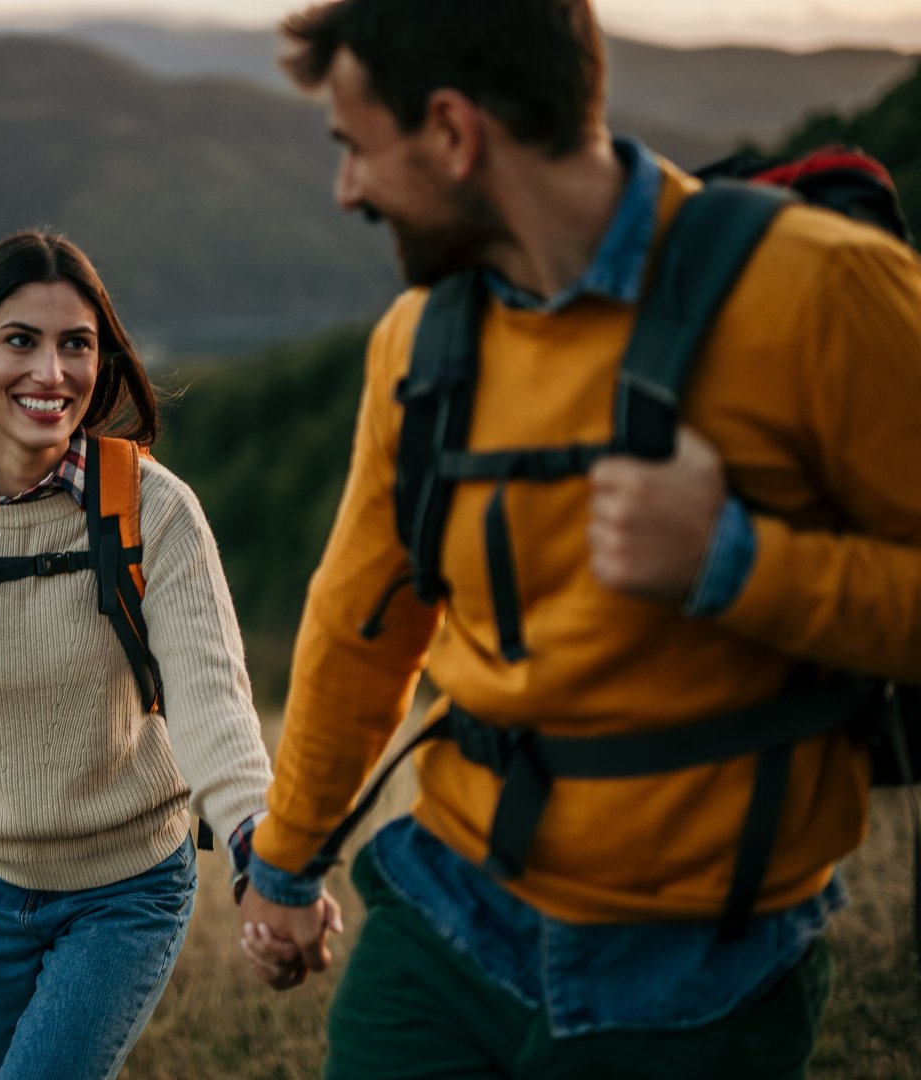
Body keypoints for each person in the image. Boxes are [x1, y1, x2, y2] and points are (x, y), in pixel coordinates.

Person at [236, 2, 921, 1078]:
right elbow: (362, 624)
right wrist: (282, 866)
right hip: (445, 923)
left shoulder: (825, 293)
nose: (348, 189)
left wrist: (733, 564)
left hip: (701, 974)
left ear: (457, 135)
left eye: (358, 149)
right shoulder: (418, 346)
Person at [0, 229, 275, 1080]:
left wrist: (260, 848)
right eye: (21, 342)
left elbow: (211, 698)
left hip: (127, 890)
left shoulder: (155, 510)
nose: (52, 374)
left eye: (76, 345)